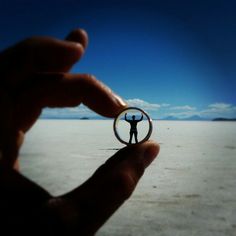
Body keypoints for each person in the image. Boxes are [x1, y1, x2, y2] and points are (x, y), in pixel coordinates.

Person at [0, 28, 160, 235]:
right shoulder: (131, 120)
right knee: (132, 137)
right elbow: (131, 117)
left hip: (133, 129)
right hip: (131, 130)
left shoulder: (135, 120)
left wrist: (135, 117)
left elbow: (135, 117)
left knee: (133, 137)